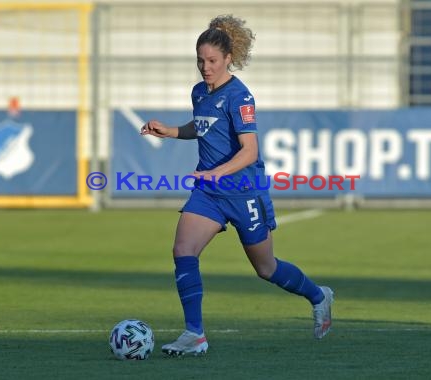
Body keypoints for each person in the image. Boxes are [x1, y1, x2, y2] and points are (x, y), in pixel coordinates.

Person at [140, 15, 334, 357]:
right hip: (209, 193)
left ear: (228, 58)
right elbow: (201, 127)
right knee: (183, 251)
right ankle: (194, 334)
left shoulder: (240, 97)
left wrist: (218, 172)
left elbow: (250, 151)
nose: (205, 67)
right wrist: (171, 131)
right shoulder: (199, 91)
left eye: (212, 61)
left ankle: (318, 296)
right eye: (200, 60)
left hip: (244, 191)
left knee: (266, 268)